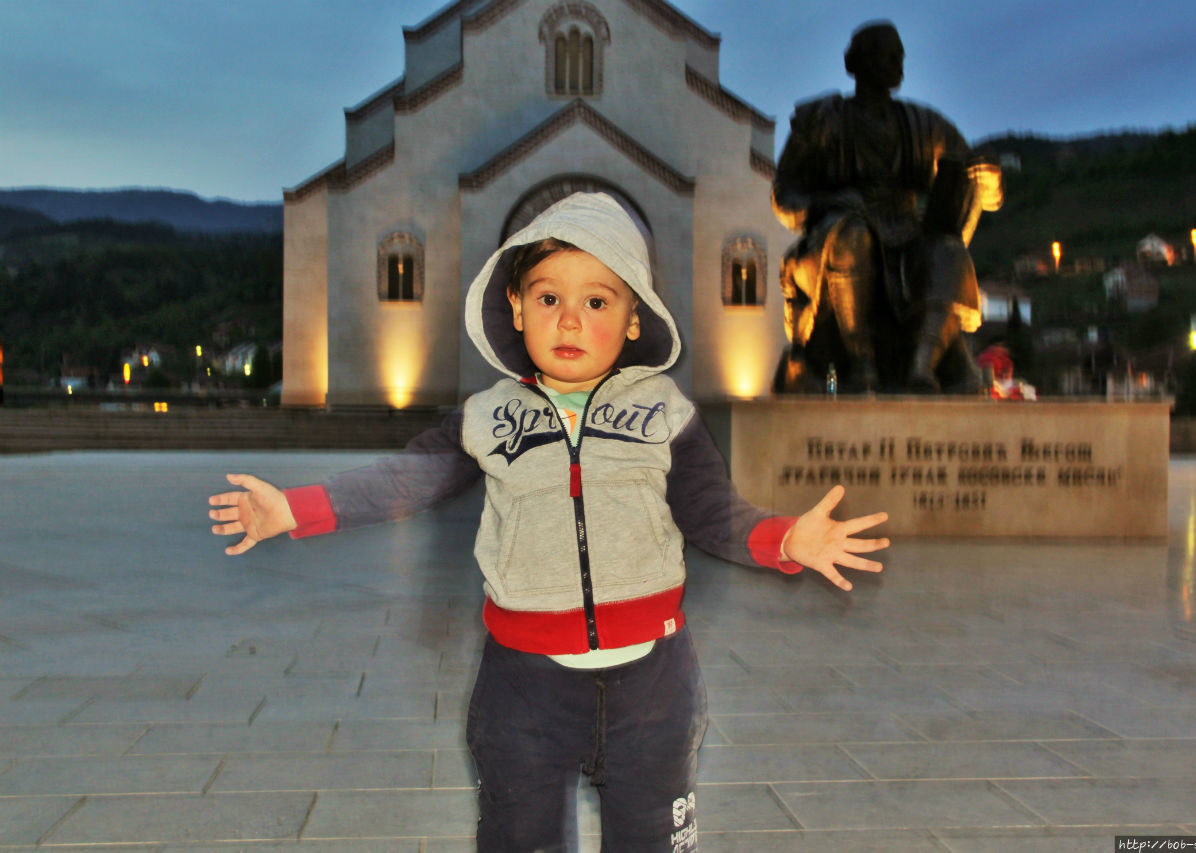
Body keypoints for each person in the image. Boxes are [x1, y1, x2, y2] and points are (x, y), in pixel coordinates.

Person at [208, 192, 889, 852]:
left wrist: (786, 539)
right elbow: (404, 478)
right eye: (548, 297)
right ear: (516, 305)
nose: (569, 320)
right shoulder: (488, 415)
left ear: (631, 318)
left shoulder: (664, 412)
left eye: (596, 301)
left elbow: (713, 513)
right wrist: (293, 508)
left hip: (651, 685)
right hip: (523, 686)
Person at [772, 20, 1002, 393]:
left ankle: (921, 366)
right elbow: (784, 196)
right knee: (853, 237)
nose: (898, 63)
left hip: (907, 239)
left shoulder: (922, 124)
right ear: (858, 63)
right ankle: (862, 364)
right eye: (888, 55)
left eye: (900, 56)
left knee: (946, 250)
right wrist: (827, 203)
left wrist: (987, 175)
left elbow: (971, 170)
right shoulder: (821, 121)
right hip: (832, 239)